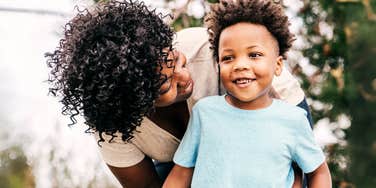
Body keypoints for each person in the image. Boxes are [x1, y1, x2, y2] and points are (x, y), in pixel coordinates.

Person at [46, 0, 311, 187]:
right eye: (166, 86)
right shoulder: (113, 129)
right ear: (137, 103)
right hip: (179, 165)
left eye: (177, 61)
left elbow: (295, 156)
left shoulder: (209, 50)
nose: (185, 78)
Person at [163, 0, 331, 187]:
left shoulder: (294, 120)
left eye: (254, 55)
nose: (240, 65)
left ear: (277, 66)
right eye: (228, 58)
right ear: (218, 65)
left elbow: (319, 172)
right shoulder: (204, 112)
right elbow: (180, 174)